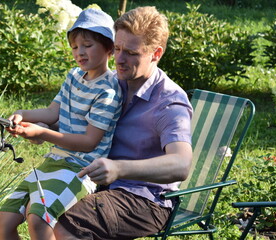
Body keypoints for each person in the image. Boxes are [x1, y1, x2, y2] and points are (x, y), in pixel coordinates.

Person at [52, 6, 193, 240]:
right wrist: (43, 130)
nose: (118, 59)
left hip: (146, 200)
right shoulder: (112, 84)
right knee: (40, 208)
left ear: (156, 54)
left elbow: (181, 164)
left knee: (67, 225)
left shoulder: (169, 102)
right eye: (117, 48)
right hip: (99, 184)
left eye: (131, 52)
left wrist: (119, 168)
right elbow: (84, 127)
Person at [0, 8, 122, 240]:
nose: (79, 52)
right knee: (3, 220)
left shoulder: (108, 91)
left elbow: (88, 143)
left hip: (81, 169)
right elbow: (53, 112)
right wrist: (23, 114)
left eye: (87, 45)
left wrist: (42, 132)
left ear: (109, 48)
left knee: (39, 220)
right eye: (74, 47)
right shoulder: (74, 76)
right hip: (54, 160)